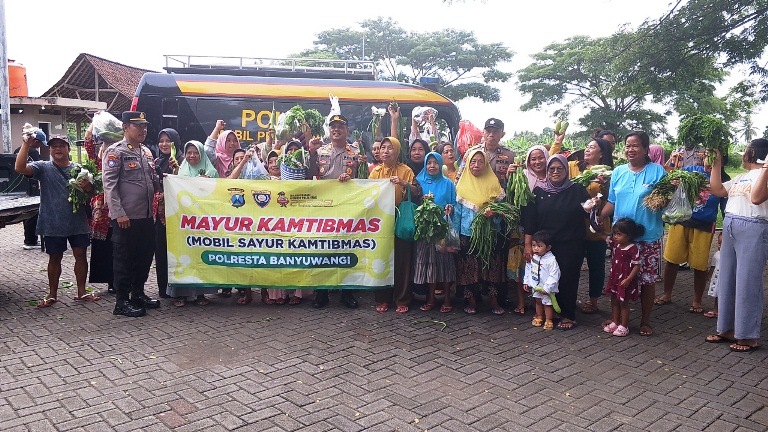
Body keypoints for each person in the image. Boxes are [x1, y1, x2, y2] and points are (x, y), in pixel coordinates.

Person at [15, 134, 100, 307]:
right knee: (54, 258)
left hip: (77, 221)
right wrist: (26, 144)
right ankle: (52, 294)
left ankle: (82, 292)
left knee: (81, 256)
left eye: (62, 145)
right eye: (54, 146)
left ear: (68, 148)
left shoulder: (80, 170)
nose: (58, 149)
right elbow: (19, 167)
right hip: (53, 221)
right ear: (49, 149)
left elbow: (92, 194)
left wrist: (88, 187)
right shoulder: (43, 168)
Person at [600, 131, 667, 336]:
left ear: (646, 149)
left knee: (646, 280)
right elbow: (612, 201)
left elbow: (664, 203)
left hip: (647, 237)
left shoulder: (658, 172)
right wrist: (596, 218)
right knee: (618, 278)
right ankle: (617, 318)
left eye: (635, 145)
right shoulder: (619, 172)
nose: (630, 149)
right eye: (627, 145)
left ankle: (645, 321)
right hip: (621, 239)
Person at [704, 140, 768, 352]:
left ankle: (748, 335)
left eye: (746, 150)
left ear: (753, 153)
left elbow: (757, 198)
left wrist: (767, 167)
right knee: (728, 278)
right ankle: (726, 328)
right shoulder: (741, 177)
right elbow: (717, 190)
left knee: (747, 281)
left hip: (754, 227)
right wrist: (716, 163)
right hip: (732, 224)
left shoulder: (764, 175)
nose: (742, 154)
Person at [102, 111, 162, 317]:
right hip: (126, 217)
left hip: (146, 216)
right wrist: (118, 213)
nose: (143, 130)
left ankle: (138, 293)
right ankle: (121, 301)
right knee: (124, 259)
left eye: (145, 126)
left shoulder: (146, 152)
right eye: (138, 126)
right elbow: (109, 185)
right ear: (126, 127)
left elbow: (153, 180)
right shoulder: (115, 152)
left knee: (144, 257)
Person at [522, 154, 591, 330]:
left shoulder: (577, 189)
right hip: (545, 246)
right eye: (551, 168)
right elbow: (530, 220)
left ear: (566, 170)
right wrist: (528, 245)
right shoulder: (539, 191)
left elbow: (589, 213)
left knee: (568, 278)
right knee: (545, 278)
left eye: (560, 168)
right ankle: (548, 312)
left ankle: (567, 314)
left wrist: (594, 205)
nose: (555, 172)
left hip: (570, 243)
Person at [655, 157, 722, 312]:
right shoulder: (691, 171)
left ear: (721, 162)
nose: (709, 164)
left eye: (714, 160)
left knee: (700, 265)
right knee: (672, 260)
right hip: (681, 221)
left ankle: (697, 301)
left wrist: (724, 231)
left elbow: (726, 207)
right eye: (707, 158)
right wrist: (675, 183)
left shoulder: (722, 180)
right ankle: (666, 294)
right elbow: (671, 178)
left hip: (704, 226)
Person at [307, 114, 359, 309]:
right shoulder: (320, 150)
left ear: (347, 130)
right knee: (323, 248)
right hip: (324, 207)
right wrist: (311, 153)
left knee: (346, 248)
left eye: (340, 127)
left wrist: (351, 178)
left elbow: (364, 179)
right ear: (329, 131)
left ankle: (347, 292)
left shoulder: (355, 152)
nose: (336, 130)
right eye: (333, 127)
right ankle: (321, 293)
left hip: (347, 207)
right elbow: (309, 174)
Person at [453, 149, 507, 315]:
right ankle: (472, 300)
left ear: (485, 164)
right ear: (468, 164)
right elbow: (457, 215)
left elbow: (503, 213)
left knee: (492, 267)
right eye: (473, 161)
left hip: (491, 234)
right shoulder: (461, 186)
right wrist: (454, 238)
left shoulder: (494, 185)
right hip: (467, 235)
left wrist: (495, 214)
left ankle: (494, 300)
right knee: (469, 269)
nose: (476, 165)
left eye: (480, 161)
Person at [369, 136, 418, 313]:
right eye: (383, 148)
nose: (385, 151)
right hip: (381, 221)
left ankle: (403, 299)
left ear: (397, 151)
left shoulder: (405, 171)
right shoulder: (375, 172)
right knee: (382, 258)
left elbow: (417, 191)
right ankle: (383, 299)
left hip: (400, 219)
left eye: (390, 148)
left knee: (403, 259)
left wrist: (404, 183)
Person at [170, 140, 219, 306]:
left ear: (202, 154)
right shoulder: (180, 170)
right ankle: (180, 294)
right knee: (183, 257)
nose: (192, 156)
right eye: (189, 152)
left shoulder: (211, 172)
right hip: (183, 223)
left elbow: (217, 195)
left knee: (200, 256)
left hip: (203, 223)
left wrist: (206, 183)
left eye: (196, 152)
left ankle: (201, 294)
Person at [568, 138, 614, 314]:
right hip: (575, 226)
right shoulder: (574, 167)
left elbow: (613, 198)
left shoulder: (608, 173)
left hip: (597, 227)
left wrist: (605, 186)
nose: (587, 150)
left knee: (596, 265)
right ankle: (570, 297)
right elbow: (553, 160)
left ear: (601, 153)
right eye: (587, 146)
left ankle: (593, 300)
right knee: (573, 265)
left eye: (592, 147)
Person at [414, 151, 457, 313]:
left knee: (444, 264)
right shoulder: (419, 181)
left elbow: (454, 203)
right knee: (429, 265)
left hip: (442, 229)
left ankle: (447, 299)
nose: (432, 166)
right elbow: (413, 200)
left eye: (435, 163)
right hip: (425, 230)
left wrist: (450, 208)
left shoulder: (448, 183)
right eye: (429, 163)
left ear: (440, 165)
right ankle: (430, 299)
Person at [83, 124, 116, 294]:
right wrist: (95, 122)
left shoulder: (118, 161)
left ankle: (118, 280)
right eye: (104, 146)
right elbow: (88, 142)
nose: (106, 149)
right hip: (100, 216)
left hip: (118, 213)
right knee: (103, 249)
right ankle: (109, 281)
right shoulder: (96, 164)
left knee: (118, 248)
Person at [602, 218, 644, 337]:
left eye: (619, 234)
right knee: (614, 300)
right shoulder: (616, 244)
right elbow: (603, 236)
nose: (615, 236)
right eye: (614, 233)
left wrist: (629, 279)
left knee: (623, 302)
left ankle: (624, 326)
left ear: (629, 236)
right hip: (615, 278)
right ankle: (615, 321)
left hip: (625, 279)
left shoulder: (632, 248)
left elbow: (637, 265)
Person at [153, 128, 181, 299]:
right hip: (159, 216)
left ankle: (179, 290)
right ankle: (163, 289)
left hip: (177, 216)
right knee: (161, 251)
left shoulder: (182, 161)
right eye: (161, 140)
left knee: (177, 252)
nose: (164, 144)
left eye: (168, 140)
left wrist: (176, 172)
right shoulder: (155, 162)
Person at [523, 230, 560, 331]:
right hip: (536, 285)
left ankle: (549, 319)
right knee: (538, 301)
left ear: (548, 247)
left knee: (547, 303)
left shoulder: (551, 260)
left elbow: (554, 275)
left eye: (539, 246)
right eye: (534, 245)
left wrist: (547, 288)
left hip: (546, 287)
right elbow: (528, 268)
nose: (536, 248)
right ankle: (539, 316)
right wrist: (526, 281)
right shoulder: (533, 257)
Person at [14, 141, 40, 249]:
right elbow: (37, 169)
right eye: (39, 142)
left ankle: (29, 238)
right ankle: (30, 240)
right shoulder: (33, 152)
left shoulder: (18, 149)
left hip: (20, 185)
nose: (40, 145)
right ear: (34, 141)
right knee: (33, 211)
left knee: (26, 213)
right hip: (31, 184)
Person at [704, 232, 722, 319]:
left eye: (723, 244)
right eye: (719, 243)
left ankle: (724, 311)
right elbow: (713, 266)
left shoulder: (732, 256)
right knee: (717, 296)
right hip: (717, 278)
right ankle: (716, 310)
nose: (720, 246)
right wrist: (709, 275)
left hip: (726, 280)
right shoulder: (717, 254)